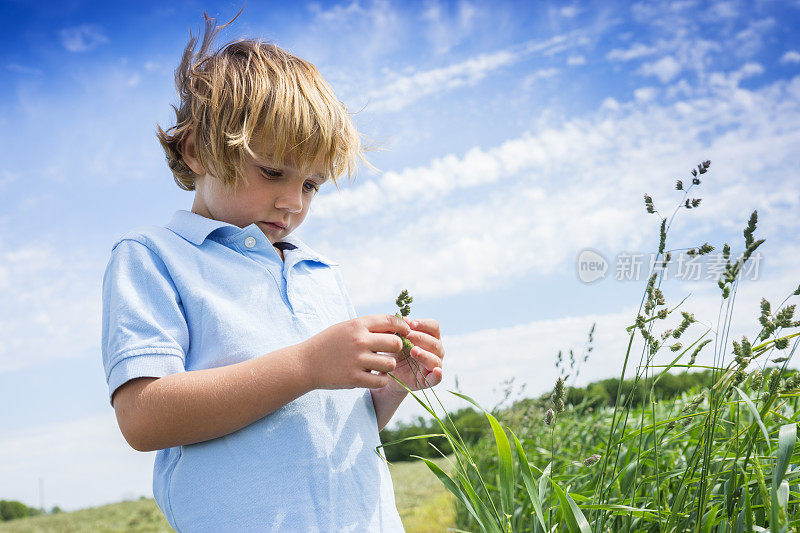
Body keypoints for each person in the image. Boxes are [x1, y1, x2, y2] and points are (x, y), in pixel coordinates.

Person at [100, 11, 445, 532]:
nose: (292, 203)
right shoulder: (154, 257)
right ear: (197, 151)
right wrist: (307, 364)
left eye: (311, 185)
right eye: (272, 172)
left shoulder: (319, 271)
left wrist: (391, 386)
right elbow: (143, 417)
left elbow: (342, 425)